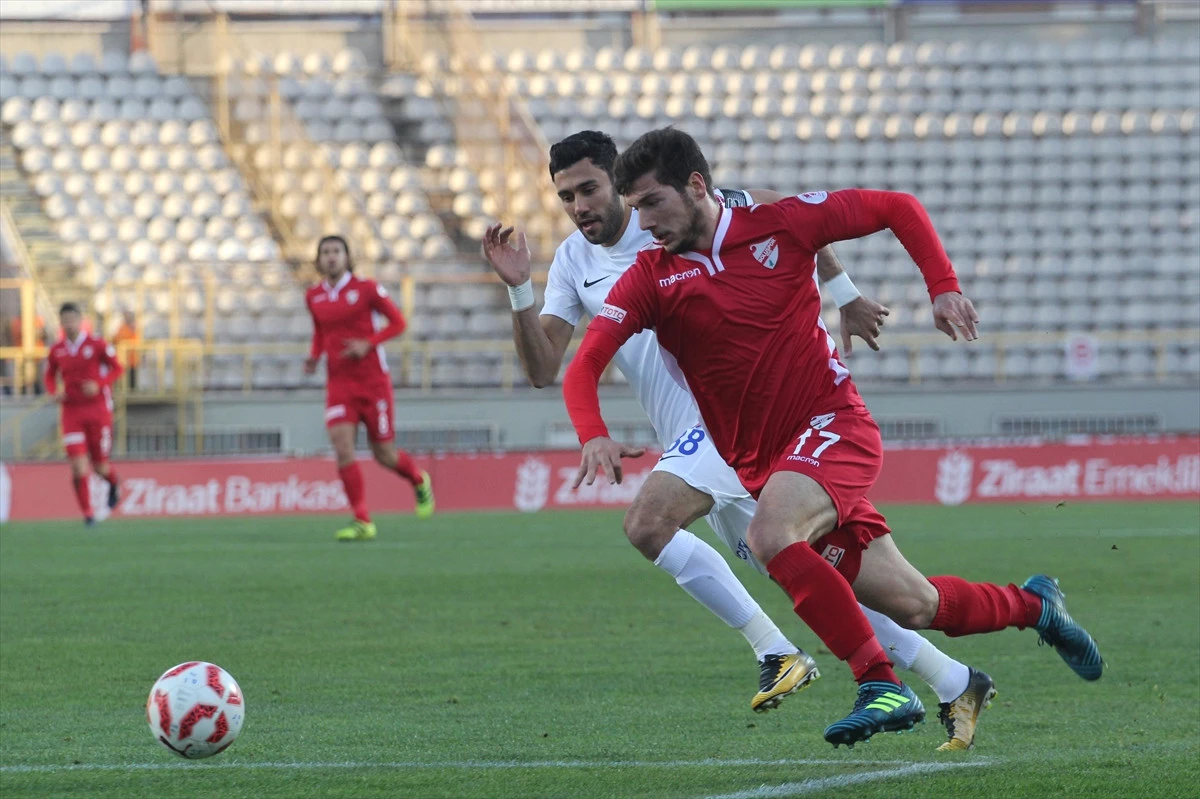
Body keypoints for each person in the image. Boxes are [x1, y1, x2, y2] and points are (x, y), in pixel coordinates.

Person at [562, 128, 1103, 748]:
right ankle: (1036, 607)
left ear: (696, 185)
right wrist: (593, 433)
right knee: (917, 605)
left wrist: (943, 285)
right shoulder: (649, 280)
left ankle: (879, 682)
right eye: (635, 208)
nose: (644, 221)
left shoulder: (780, 225)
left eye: (653, 203)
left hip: (833, 427)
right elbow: (583, 365)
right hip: (766, 463)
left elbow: (897, 206)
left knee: (770, 535)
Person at [483, 130, 995, 751]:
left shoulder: (689, 213)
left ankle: (783, 653)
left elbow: (793, 224)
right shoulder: (573, 260)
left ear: (620, 183)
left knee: (650, 524)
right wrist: (518, 290)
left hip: (733, 425)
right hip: (702, 440)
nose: (579, 206)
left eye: (589, 189)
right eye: (566, 197)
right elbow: (545, 370)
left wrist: (846, 295)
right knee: (822, 578)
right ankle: (953, 677)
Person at [304, 235, 434, 541]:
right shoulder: (313, 296)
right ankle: (362, 519)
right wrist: (313, 357)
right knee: (342, 448)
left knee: (384, 454)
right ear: (318, 260)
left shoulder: (366, 289)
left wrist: (368, 344)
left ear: (348, 257)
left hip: (373, 383)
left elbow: (398, 322)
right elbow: (320, 333)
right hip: (339, 385)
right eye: (325, 252)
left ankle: (418, 480)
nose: (331, 257)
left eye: (336, 251)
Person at [44, 302, 123, 526]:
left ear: (80, 321)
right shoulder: (57, 350)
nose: (68, 324)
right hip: (71, 412)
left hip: (98, 411)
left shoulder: (96, 344)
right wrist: (53, 392)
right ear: (60, 323)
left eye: (72, 319)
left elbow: (118, 367)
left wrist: (99, 384)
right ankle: (88, 514)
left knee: (99, 466)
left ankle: (114, 482)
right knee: (78, 465)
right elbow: (50, 375)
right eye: (64, 321)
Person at [113, 310, 140, 390]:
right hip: (122, 359)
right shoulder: (122, 327)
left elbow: (136, 341)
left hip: (132, 359)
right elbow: (116, 339)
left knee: (131, 379)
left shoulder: (134, 327)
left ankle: (132, 393)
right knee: (122, 378)